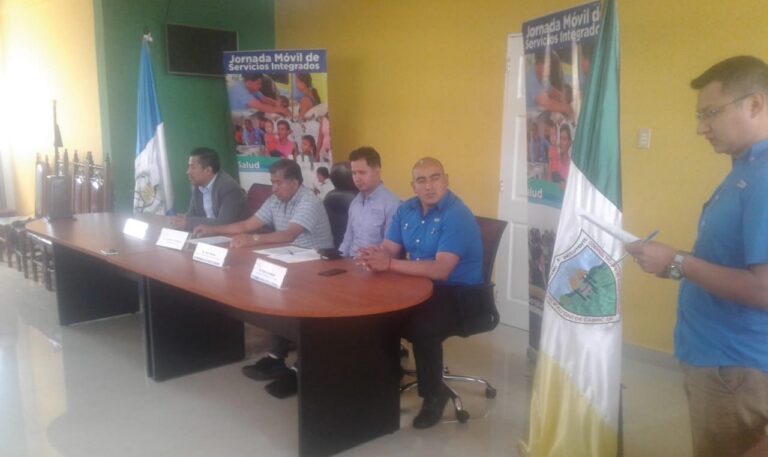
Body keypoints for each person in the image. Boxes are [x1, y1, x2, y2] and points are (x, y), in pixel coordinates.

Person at [626, 56, 768, 457]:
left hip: (734, 367)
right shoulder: (745, 168)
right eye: (699, 115)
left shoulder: (764, 177)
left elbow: (765, 289)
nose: (701, 127)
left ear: (755, 104)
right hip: (717, 355)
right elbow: (727, 261)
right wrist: (670, 261)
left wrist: (679, 262)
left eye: (711, 113)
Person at [357, 157, 483, 429]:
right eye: (422, 180)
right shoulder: (407, 210)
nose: (429, 186)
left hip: (460, 295)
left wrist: (389, 264)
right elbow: (389, 248)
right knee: (380, 313)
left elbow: (440, 270)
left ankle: (433, 396)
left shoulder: (456, 214)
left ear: (446, 180)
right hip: (419, 287)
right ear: (412, 186)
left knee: (422, 327)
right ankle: (384, 379)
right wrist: (374, 255)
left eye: (435, 178)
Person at [192, 159, 334, 398]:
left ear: (295, 182)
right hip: (289, 260)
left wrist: (254, 240)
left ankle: (301, 367)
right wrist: (212, 229)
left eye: (278, 183)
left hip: (316, 265)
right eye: (272, 182)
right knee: (271, 293)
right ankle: (276, 357)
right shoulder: (275, 199)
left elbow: (289, 235)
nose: (274, 188)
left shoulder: (308, 201)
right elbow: (248, 224)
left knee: (294, 305)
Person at [338, 147, 400, 258]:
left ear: (377, 172)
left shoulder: (391, 204)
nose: (357, 178)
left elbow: (389, 251)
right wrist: (337, 262)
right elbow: (347, 241)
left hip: (374, 267)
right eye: (354, 173)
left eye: (362, 172)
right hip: (349, 265)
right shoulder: (354, 203)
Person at [170, 147, 251, 231]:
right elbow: (192, 215)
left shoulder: (229, 188)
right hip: (210, 235)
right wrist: (183, 219)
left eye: (193, 167)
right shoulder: (198, 185)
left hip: (238, 237)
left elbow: (224, 223)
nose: (188, 172)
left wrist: (188, 222)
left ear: (208, 170)